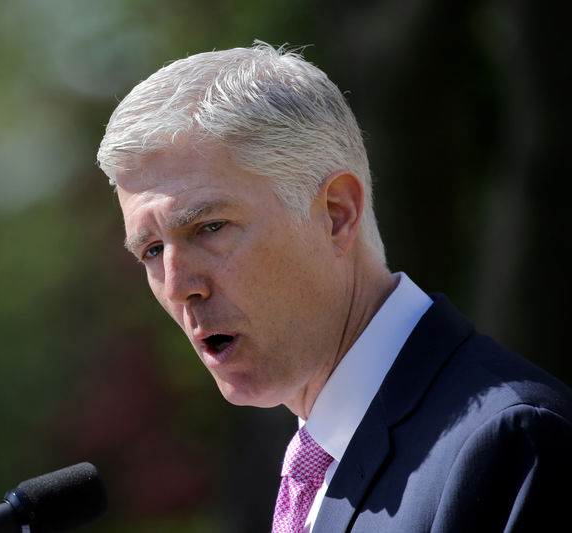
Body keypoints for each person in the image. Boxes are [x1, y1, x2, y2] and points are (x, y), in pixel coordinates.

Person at [96, 43, 572, 532]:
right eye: (152, 250)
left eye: (210, 228)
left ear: (336, 214)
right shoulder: (296, 462)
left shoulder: (516, 444)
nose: (178, 287)